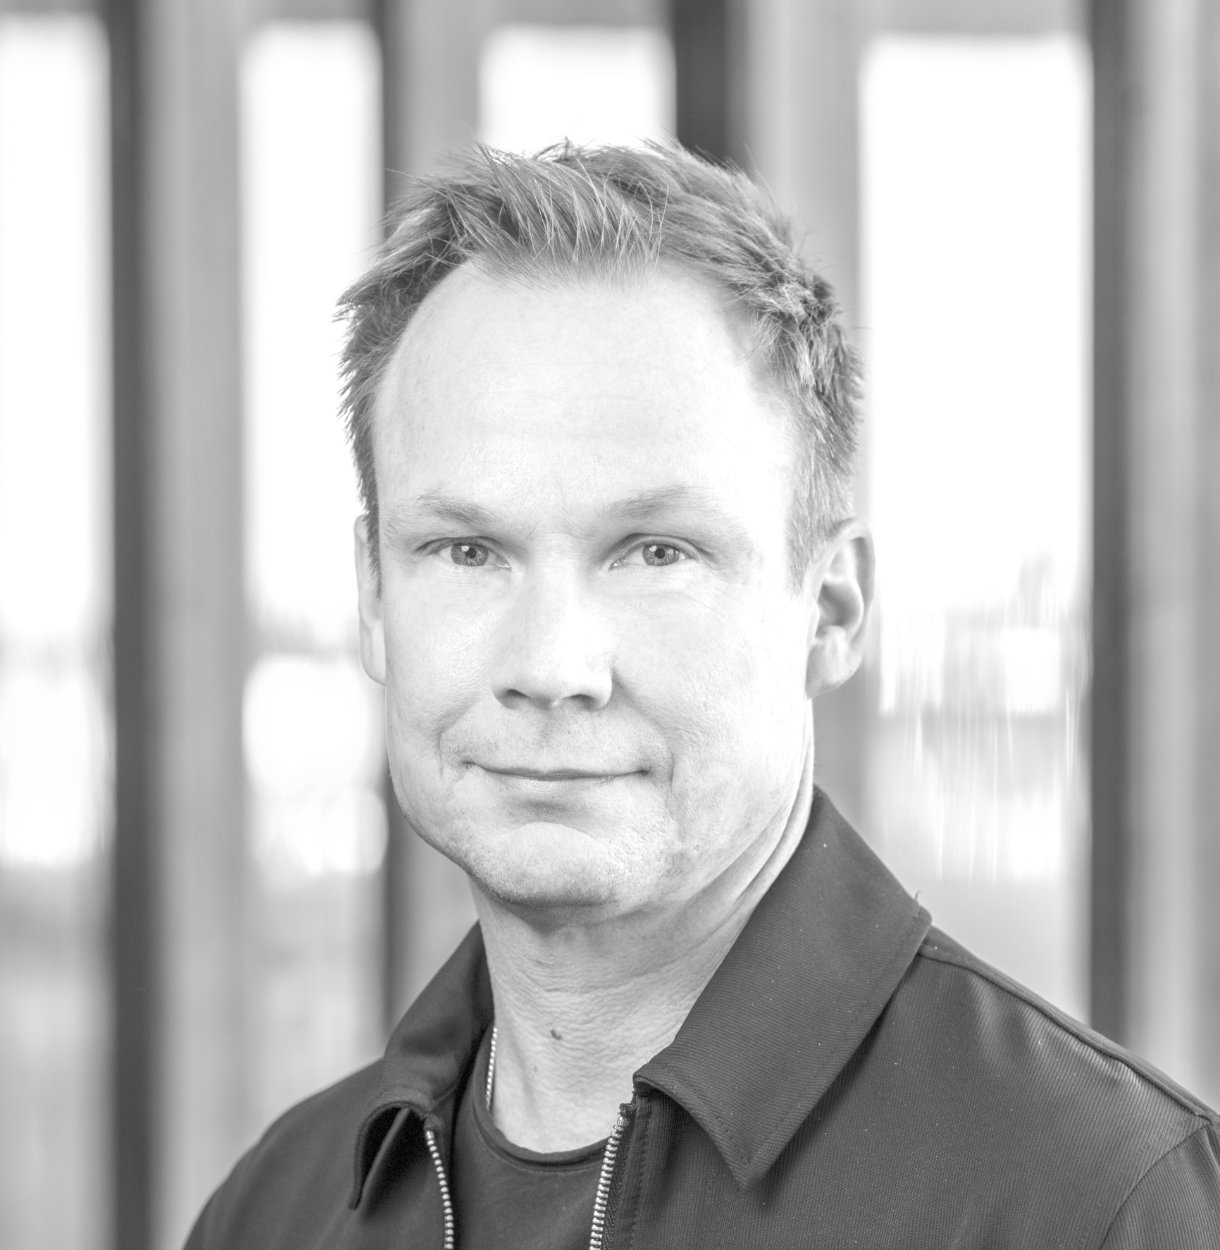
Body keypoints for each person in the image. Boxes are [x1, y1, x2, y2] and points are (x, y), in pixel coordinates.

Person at [186, 143, 1220, 1249]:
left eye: (656, 552)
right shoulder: (277, 1210)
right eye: (466, 550)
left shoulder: (1096, 1203)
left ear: (829, 607)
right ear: (373, 596)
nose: (552, 664)